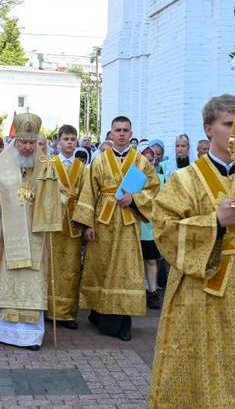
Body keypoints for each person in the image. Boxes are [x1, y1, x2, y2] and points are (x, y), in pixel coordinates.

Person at [144, 94, 235, 407]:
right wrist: (215, 221)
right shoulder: (184, 180)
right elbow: (165, 229)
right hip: (198, 293)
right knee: (199, 366)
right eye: (229, 124)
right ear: (208, 128)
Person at [0, 113, 62, 350]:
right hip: (5, 237)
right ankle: (6, 332)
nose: (28, 147)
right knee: (7, 281)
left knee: (33, 281)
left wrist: (52, 206)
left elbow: (61, 195)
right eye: (23, 142)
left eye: (32, 142)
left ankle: (32, 337)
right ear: (15, 140)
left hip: (36, 234)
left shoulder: (47, 165)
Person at [73, 116, 160, 341]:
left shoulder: (141, 161)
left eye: (125, 130)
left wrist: (135, 198)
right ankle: (97, 313)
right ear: (110, 134)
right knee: (101, 268)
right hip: (103, 223)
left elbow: (154, 189)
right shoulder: (99, 161)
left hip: (128, 223)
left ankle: (123, 323)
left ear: (131, 134)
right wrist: (87, 225)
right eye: (117, 130)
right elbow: (88, 193)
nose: (121, 134)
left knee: (126, 272)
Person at [46, 124, 86, 329]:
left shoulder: (82, 167)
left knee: (72, 268)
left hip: (74, 222)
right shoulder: (49, 164)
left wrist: (86, 222)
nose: (69, 143)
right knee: (51, 266)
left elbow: (87, 195)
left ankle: (68, 313)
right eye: (65, 139)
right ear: (58, 141)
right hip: (53, 222)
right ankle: (49, 309)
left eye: (72, 139)